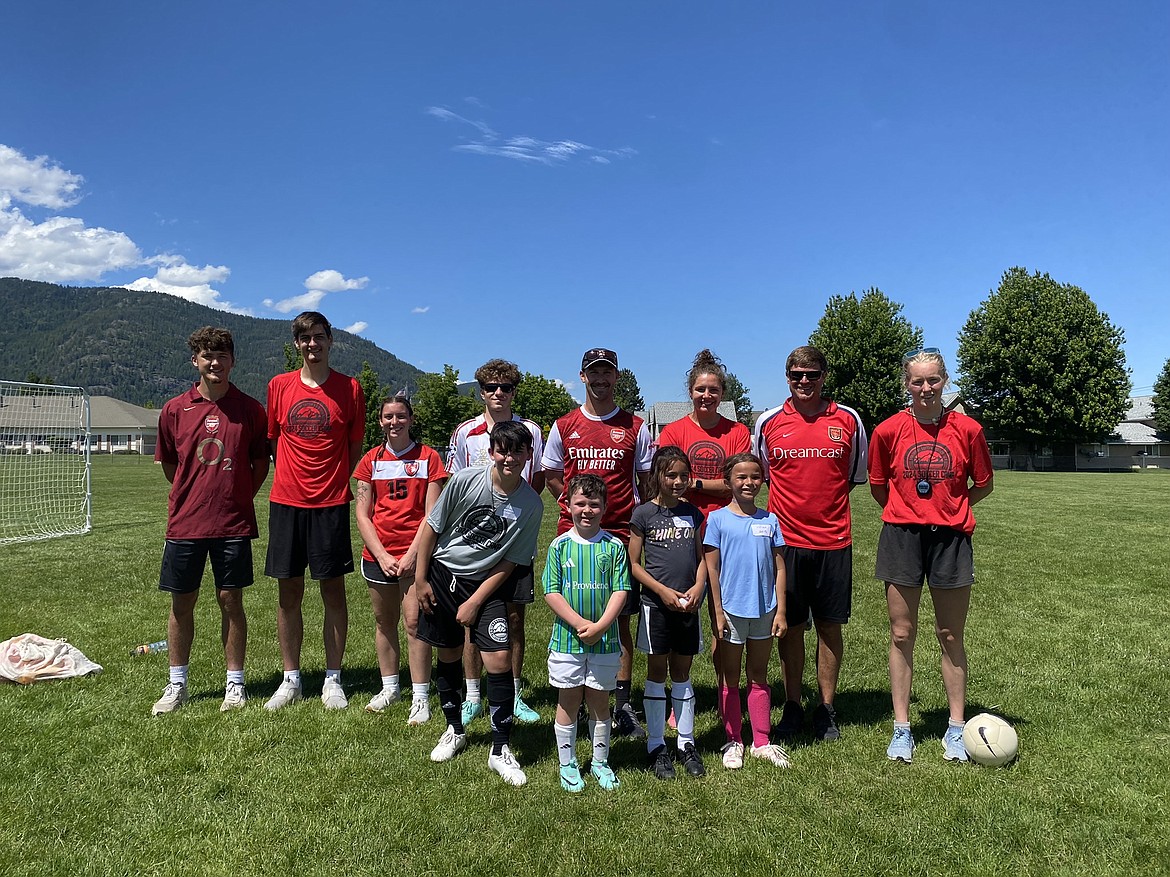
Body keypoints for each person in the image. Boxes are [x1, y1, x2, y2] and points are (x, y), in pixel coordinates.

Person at [869, 347, 994, 763]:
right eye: (917, 381)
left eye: (933, 380)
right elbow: (878, 487)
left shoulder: (968, 430)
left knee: (951, 635)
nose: (925, 388)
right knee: (901, 633)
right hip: (902, 536)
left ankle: (956, 729)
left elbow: (984, 484)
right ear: (906, 383)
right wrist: (910, 511)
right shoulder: (887, 431)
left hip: (951, 540)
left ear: (945, 381)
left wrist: (953, 505)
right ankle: (902, 728)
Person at [414, 421, 544, 786]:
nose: (509, 458)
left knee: (499, 658)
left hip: (487, 584)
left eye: (517, 451)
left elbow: (510, 562)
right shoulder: (465, 481)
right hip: (443, 573)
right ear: (491, 452)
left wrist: (474, 601)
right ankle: (454, 730)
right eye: (502, 450)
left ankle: (499, 749)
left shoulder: (531, 505)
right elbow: (432, 527)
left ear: (527, 455)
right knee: (450, 653)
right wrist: (422, 579)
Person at [150, 327, 269, 715]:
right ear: (195, 361)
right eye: (207, 356)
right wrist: (196, 495)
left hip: (232, 523)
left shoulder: (251, 410)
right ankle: (177, 684)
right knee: (181, 602)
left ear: (233, 361)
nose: (214, 362)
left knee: (230, 600)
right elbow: (171, 465)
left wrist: (233, 497)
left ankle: (235, 685)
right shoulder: (173, 409)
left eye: (222, 355)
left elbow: (257, 465)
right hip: (185, 522)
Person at [753, 345, 868, 742]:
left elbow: (854, 477)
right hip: (785, 544)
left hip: (834, 541)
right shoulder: (767, 422)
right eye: (797, 374)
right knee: (790, 626)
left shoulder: (849, 419)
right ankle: (793, 705)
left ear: (824, 376)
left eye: (812, 374)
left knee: (830, 627)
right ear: (787, 378)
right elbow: (762, 474)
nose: (805, 381)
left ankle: (826, 708)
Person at [542, 347, 653, 738]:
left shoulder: (635, 426)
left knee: (618, 619)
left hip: (620, 536)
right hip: (572, 537)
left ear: (617, 377)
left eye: (608, 373)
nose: (601, 379)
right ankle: (573, 700)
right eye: (594, 373)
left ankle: (619, 705)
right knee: (571, 615)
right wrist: (573, 505)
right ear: (583, 376)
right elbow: (553, 473)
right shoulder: (564, 424)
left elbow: (646, 481)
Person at [264, 311, 365, 711]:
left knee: (332, 591)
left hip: (331, 503)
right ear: (297, 344)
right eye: (305, 338)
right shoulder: (279, 385)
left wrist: (335, 482)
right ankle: (291, 679)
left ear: (330, 341)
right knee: (288, 593)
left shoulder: (349, 388)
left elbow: (353, 444)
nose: (312, 344)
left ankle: (332, 678)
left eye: (319, 337)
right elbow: (273, 442)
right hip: (287, 502)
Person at [446, 359, 545, 727]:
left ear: (514, 391)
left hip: (515, 539)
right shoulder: (464, 433)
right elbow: (457, 487)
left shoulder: (531, 430)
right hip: (473, 542)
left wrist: (514, 513)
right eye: (491, 387)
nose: (498, 393)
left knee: (514, 617)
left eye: (505, 387)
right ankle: (473, 694)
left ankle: (515, 693)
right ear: (481, 392)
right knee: (470, 617)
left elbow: (534, 480)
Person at [657, 348, 750, 712]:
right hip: (681, 531)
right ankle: (677, 696)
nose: (706, 396)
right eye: (700, 389)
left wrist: (691, 481)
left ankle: (723, 693)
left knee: (721, 615)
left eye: (713, 389)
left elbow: (737, 484)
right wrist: (709, 483)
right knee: (680, 617)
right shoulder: (674, 431)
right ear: (690, 392)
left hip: (728, 529)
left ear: (722, 393)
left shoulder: (737, 432)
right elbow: (665, 481)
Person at [354, 395, 448, 722]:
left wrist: (411, 555)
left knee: (414, 623)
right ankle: (390, 687)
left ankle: (420, 696)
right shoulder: (370, 460)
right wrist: (380, 554)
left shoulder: (429, 457)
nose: (395, 422)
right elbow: (363, 514)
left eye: (401, 416)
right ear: (380, 421)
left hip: (415, 555)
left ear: (411, 419)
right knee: (384, 622)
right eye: (388, 417)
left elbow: (432, 514)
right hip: (378, 555)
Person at [543, 475, 630, 793]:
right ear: (568, 506)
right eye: (580, 503)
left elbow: (621, 590)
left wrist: (602, 626)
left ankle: (599, 762)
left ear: (605, 508)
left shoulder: (615, 546)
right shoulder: (559, 546)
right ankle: (567, 764)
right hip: (568, 639)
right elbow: (551, 592)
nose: (587, 510)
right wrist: (581, 624)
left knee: (599, 700)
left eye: (594, 504)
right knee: (568, 700)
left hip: (605, 640)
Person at [704, 453, 790, 769]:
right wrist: (717, 610)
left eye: (755, 476)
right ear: (728, 481)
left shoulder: (770, 520)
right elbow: (711, 569)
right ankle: (733, 740)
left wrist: (781, 610)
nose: (748, 482)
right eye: (741, 477)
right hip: (731, 610)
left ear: (762, 480)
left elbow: (780, 568)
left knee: (758, 674)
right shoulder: (717, 520)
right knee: (729, 677)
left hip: (765, 610)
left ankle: (762, 741)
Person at [629, 446, 708, 780]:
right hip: (655, 607)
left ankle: (686, 742)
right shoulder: (643, 514)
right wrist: (661, 591)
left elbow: (704, 558)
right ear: (657, 476)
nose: (677, 482)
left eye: (682, 476)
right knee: (657, 671)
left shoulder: (694, 514)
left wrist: (698, 588)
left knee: (682, 671)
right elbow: (633, 563)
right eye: (670, 475)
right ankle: (657, 745)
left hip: (688, 605)